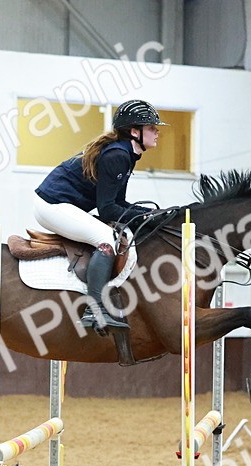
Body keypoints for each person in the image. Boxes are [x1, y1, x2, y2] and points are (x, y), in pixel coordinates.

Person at [33, 99, 165, 334]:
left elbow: (118, 204)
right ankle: (94, 309)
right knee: (106, 240)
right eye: (152, 128)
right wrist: (146, 217)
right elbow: (107, 210)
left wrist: (152, 213)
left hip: (62, 205)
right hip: (52, 205)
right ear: (134, 132)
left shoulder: (127, 154)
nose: (156, 133)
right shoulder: (117, 156)